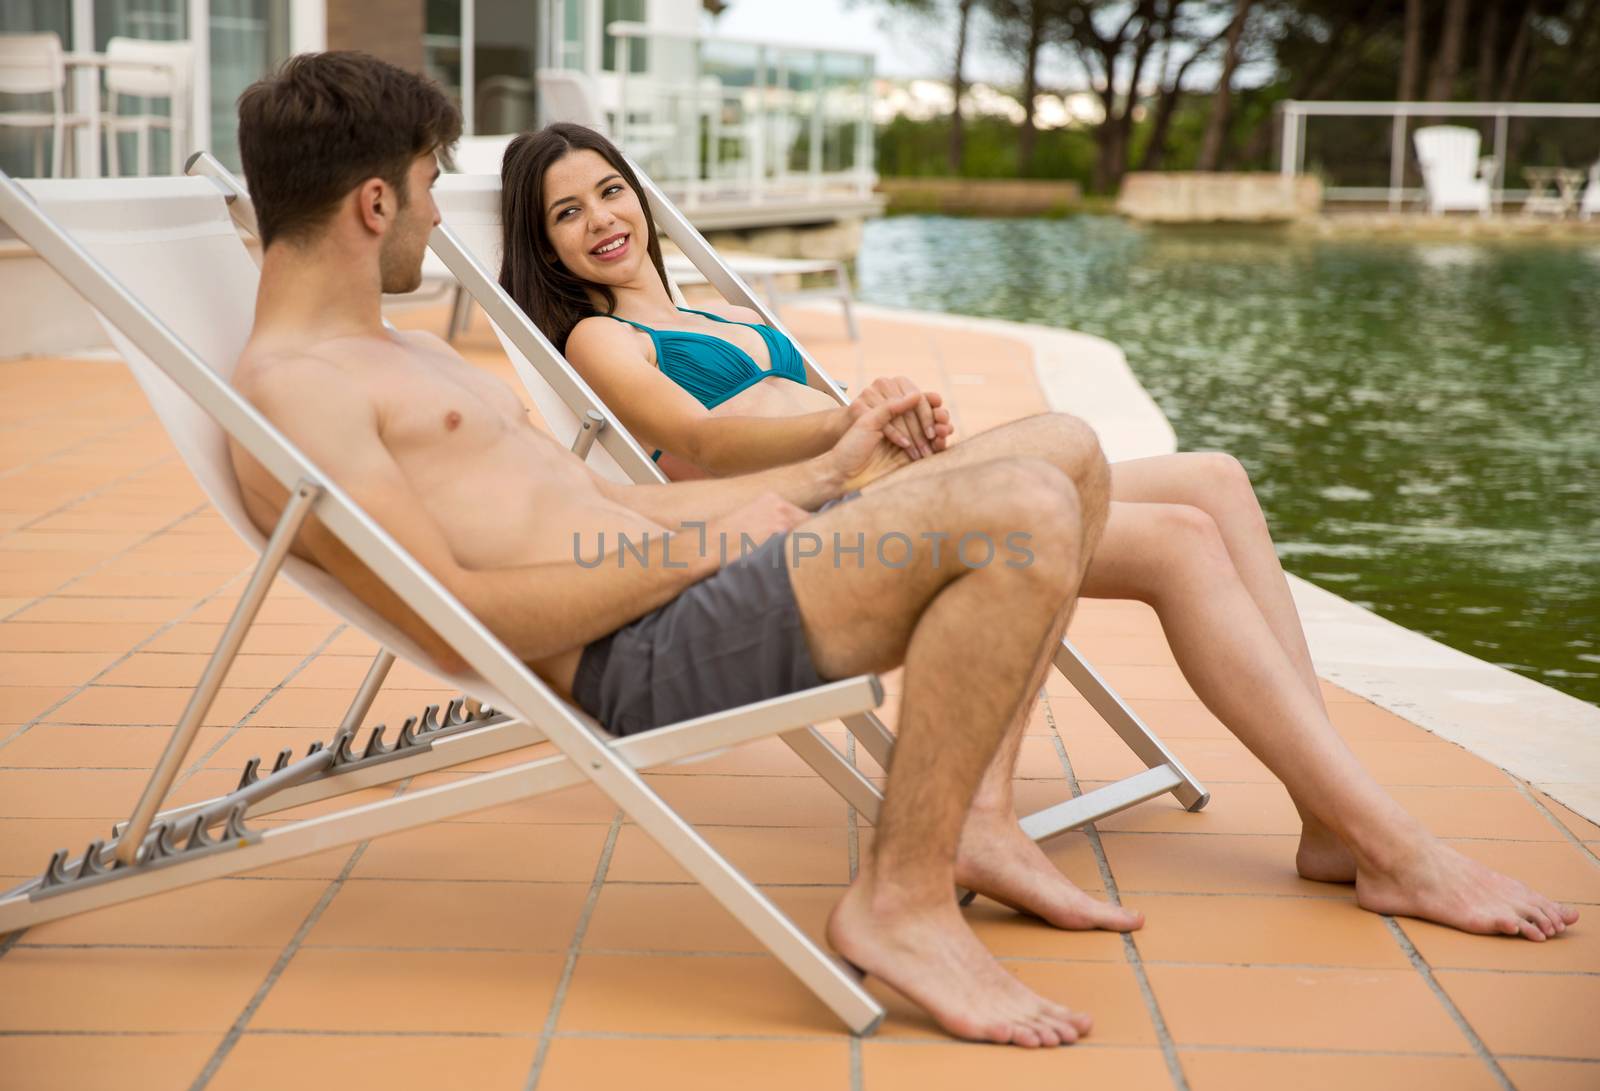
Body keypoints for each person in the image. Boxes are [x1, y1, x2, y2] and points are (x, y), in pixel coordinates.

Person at [228, 50, 1125, 1049]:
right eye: (431, 185)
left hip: (686, 587)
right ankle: (902, 897)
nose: (439, 216)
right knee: (1022, 504)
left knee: (1064, 447)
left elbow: (608, 501)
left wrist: (826, 474)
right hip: (639, 651)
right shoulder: (296, 391)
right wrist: (702, 551)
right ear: (371, 203)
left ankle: (973, 827)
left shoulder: (419, 354)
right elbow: (455, 616)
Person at [496, 122, 1579, 945]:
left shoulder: (726, 314)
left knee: (1216, 476)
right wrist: (857, 415)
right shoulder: (599, 337)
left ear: (638, 195)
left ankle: (1332, 819)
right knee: (1178, 540)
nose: (600, 218)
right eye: (564, 212)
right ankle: (1390, 844)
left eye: (608, 189)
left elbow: (823, 417)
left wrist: (892, 422)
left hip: (900, 482)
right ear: (542, 245)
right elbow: (703, 437)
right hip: (840, 525)